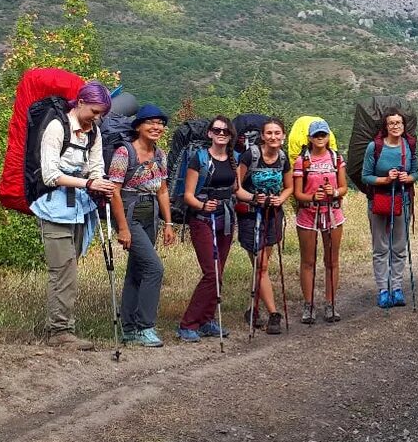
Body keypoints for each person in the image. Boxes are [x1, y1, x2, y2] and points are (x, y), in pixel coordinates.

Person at [32, 81, 116, 349]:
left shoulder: (93, 132)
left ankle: (59, 325)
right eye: (94, 111)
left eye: (101, 113)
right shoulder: (57, 128)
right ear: (80, 103)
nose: (97, 117)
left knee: (69, 268)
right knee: (63, 270)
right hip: (53, 207)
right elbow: (50, 175)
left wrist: (99, 181)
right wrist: (88, 184)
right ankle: (60, 332)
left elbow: (96, 166)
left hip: (78, 208)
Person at [107, 104, 175, 348]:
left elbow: (163, 189)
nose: (157, 127)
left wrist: (168, 222)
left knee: (137, 271)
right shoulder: (124, 153)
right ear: (138, 126)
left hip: (151, 215)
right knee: (154, 268)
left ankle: (129, 328)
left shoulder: (160, 154)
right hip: (130, 214)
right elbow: (114, 191)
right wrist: (123, 228)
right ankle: (145, 326)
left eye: (161, 124)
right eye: (151, 123)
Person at [178, 116, 240, 342]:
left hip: (225, 219)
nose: (222, 133)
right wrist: (203, 205)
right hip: (202, 219)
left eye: (226, 131)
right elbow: (188, 195)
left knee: (218, 272)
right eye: (217, 130)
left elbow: (236, 190)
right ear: (210, 134)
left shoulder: (235, 159)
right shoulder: (200, 158)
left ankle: (206, 320)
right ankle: (188, 323)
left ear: (231, 135)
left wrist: (257, 198)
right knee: (211, 272)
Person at [236, 118, 294, 335]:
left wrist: (282, 199)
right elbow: (236, 187)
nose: (273, 137)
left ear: (283, 136)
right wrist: (253, 198)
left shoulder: (282, 157)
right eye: (269, 133)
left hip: (273, 215)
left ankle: (253, 309)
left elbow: (289, 187)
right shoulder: (250, 155)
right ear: (262, 136)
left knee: (263, 267)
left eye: (277, 133)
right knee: (261, 266)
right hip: (251, 216)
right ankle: (273, 314)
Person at [363, 108, 417, 309]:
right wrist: (385, 179)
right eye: (391, 123)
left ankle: (396, 288)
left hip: (402, 200)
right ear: (385, 127)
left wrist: (408, 178)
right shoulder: (374, 147)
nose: (395, 126)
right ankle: (383, 290)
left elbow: (416, 172)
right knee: (381, 248)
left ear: (404, 126)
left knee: (399, 247)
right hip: (378, 201)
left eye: (399, 123)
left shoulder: (409, 145)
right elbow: (365, 176)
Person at [295, 119, 347, 324]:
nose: (319, 138)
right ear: (309, 138)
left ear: (328, 137)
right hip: (308, 215)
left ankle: (330, 304)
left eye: (323, 135)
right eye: (316, 135)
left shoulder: (336, 158)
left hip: (333, 214)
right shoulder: (302, 161)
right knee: (308, 261)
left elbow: (343, 188)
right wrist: (312, 197)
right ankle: (308, 305)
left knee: (331, 261)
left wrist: (333, 192)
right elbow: (298, 193)